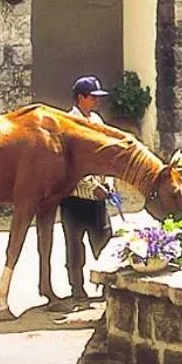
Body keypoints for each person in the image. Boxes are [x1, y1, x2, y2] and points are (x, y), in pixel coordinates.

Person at [60, 75, 114, 301]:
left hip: (98, 196)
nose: (97, 101)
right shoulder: (68, 124)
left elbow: (107, 155)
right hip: (75, 196)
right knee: (74, 243)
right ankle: (77, 288)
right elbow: (69, 163)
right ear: (80, 98)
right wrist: (92, 187)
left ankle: (106, 284)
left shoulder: (97, 121)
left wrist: (109, 183)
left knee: (105, 237)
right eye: (93, 97)